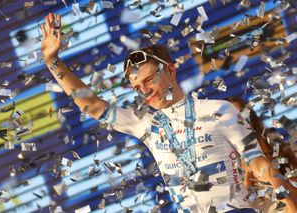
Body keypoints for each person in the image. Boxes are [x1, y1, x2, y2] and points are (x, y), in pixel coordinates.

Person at [40, 13, 297, 213]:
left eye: (150, 80)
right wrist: (53, 61)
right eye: (137, 88)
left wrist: (289, 205)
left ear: (171, 71)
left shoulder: (219, 110)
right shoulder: (144, 124)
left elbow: (258, 163)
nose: (145, 91)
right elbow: (93, 105)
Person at [226, 96, 297, 210]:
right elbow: (242, 202)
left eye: (243, 114)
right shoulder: (230, 162)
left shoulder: (278, 145)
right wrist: (248, 178)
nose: (241, 121)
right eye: (233, 118)